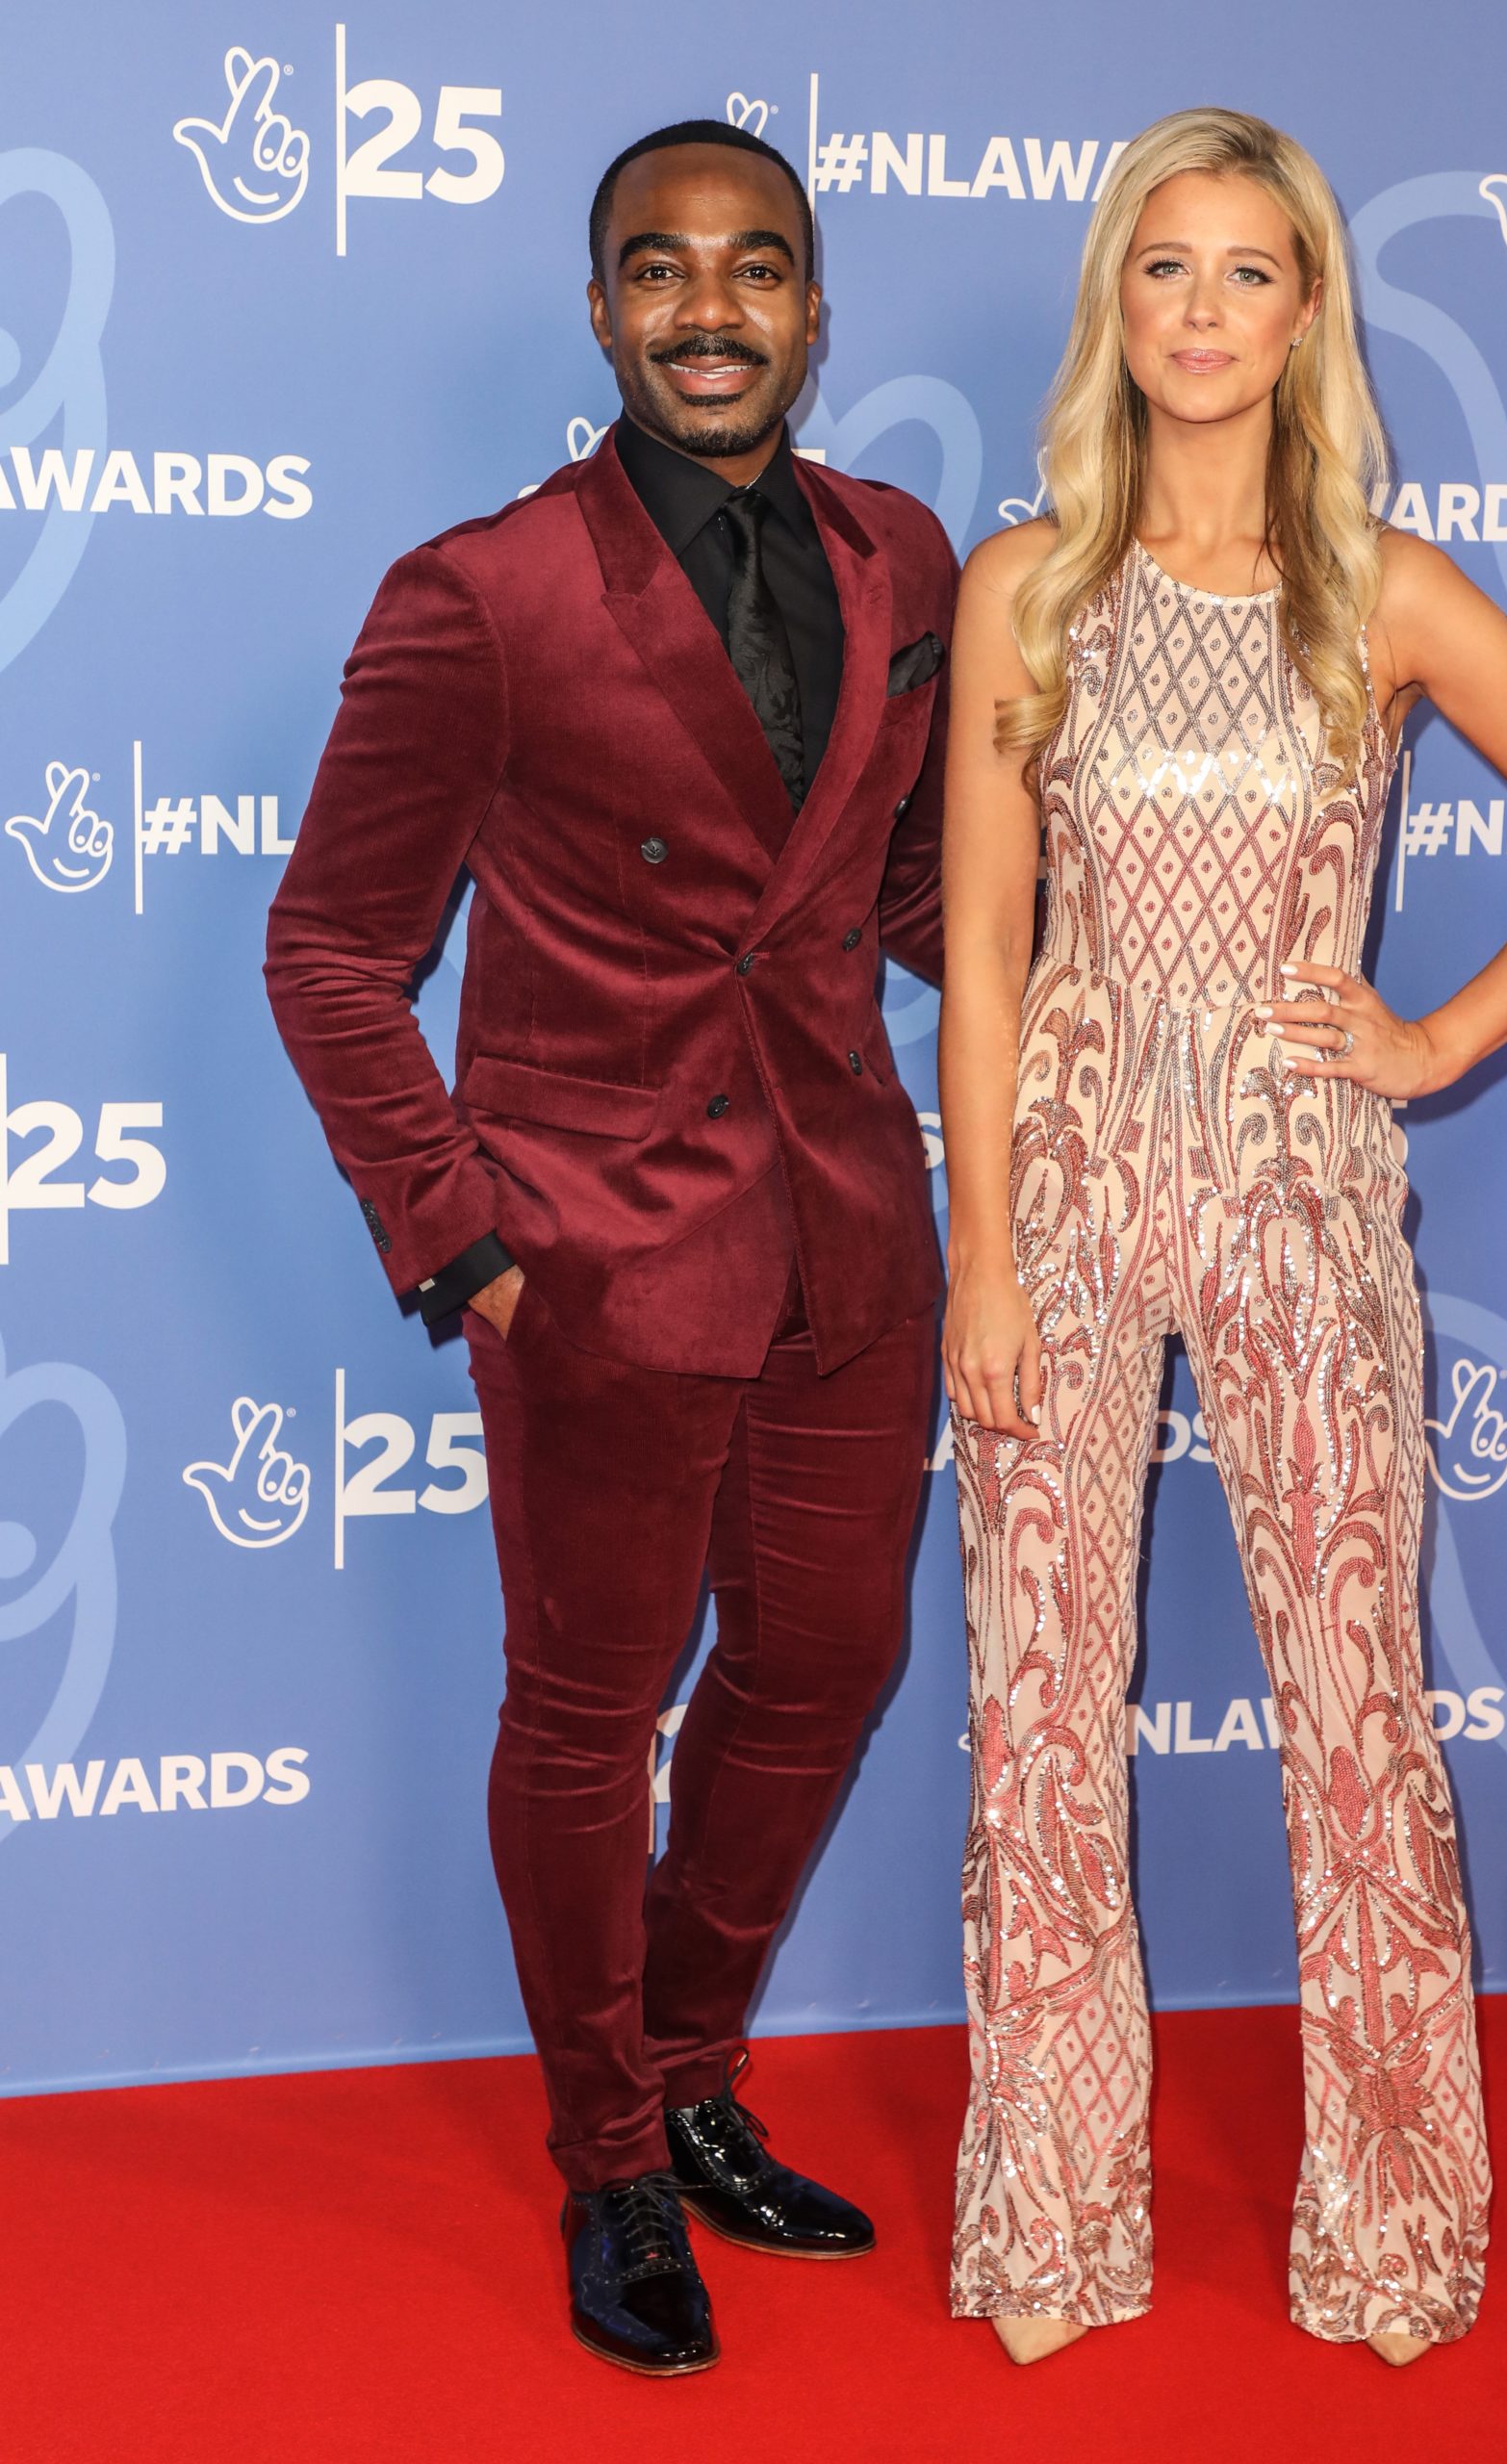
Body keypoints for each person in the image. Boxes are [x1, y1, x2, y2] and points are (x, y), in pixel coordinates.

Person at [938, 108, 1507, 2370]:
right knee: (1038, 1719)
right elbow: (979, 951)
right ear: (1115, 303)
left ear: (1305, 310)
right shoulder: (1025, 583)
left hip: (1294, 1187)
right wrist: (980, 1253)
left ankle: (1390, 2228)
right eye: (1160, 267)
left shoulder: (1388, 584)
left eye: (1244, 271)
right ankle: (1056, 2227)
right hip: (1062, 1188)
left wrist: (1433, 1032)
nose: (1196, 310)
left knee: (1359, 1726)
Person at [266, 117, 955, 2379]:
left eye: (755, 269)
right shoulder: (479, 591)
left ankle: (684, 2067)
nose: (709, 309)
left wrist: (1164, 965)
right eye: (660, 271)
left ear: (812, 307)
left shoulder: (901, 559)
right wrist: (462, 1239)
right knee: (587, 1717)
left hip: (851, 1241)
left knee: (825, 1662)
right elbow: (333, 948)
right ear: (599, 310)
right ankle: (612, 2158)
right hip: (593, 1257)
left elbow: (923, 901)